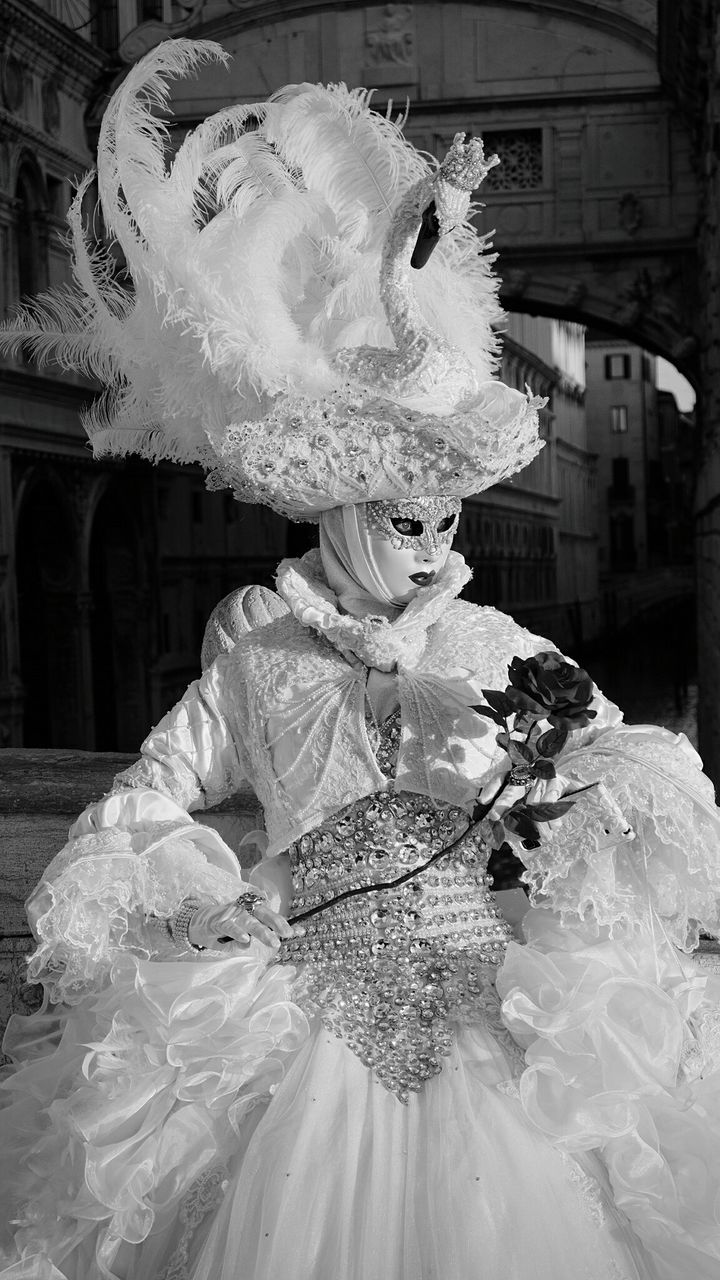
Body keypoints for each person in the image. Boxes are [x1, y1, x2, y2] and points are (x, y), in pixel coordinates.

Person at [2, 37, 720, 1280]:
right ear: (340, 513)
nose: (431, 541)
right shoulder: (258, 650)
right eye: (404, 518)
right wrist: (203, 896)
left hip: (483, 1010)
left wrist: (557, 787)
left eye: (443, 517)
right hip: (298, 1013)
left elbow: (619, 753)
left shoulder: (496, 641)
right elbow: (150, 790)